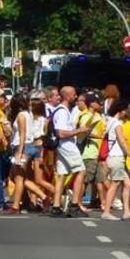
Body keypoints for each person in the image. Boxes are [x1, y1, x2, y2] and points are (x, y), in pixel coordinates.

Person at [51, 86, 92, 217]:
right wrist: (79, 130)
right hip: (67, 145)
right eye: (74, 95)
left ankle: (56, 206)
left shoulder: (65, 110)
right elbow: (60, 133)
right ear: (67, 96)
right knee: (81, 170)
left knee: (61, 174)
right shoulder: (62, 112)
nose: (75, 97)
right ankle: (74, 205)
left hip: (64, 146)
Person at [100, 101, 130, 221]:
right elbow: (121, 141)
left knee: (127, 183)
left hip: (112, 157)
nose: (126, 113)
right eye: (125, 111)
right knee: (115, 184)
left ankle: (127, 211)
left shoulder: (109, 121)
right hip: (117, 156)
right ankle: (107, 211)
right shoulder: (117, 123)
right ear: (121, 111)